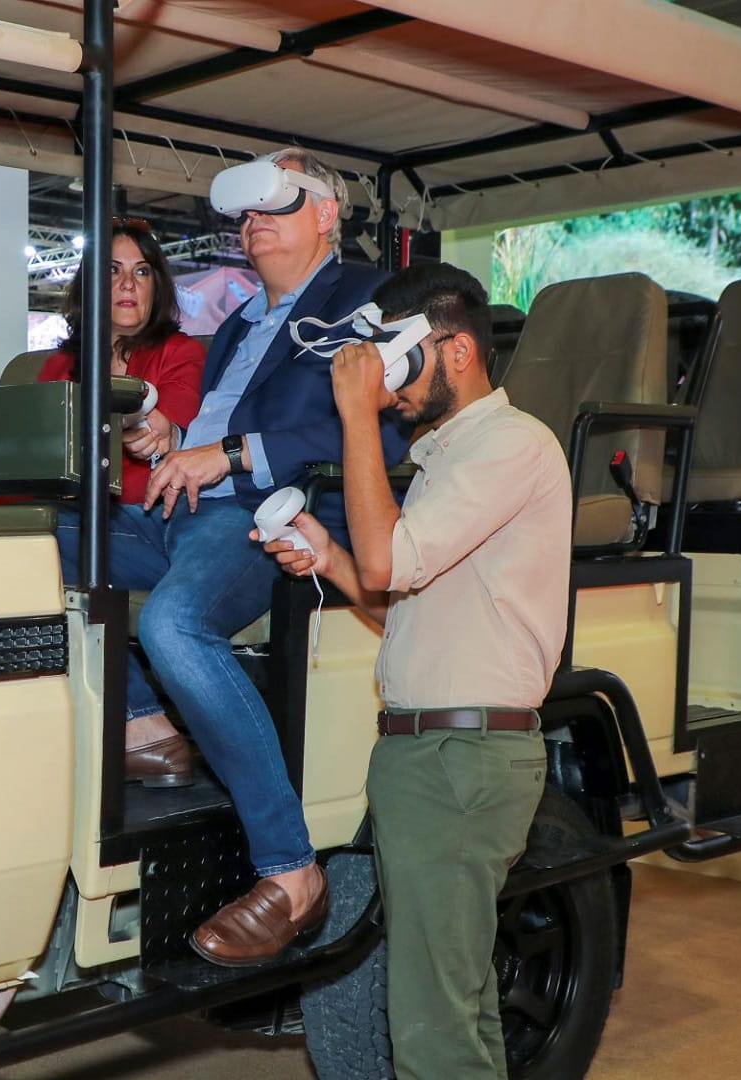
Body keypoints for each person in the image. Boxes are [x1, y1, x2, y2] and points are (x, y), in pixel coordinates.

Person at [54, 148, 412, 967]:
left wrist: (228, 455)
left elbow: (384, 433)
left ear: (326, 213)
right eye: (245, 214)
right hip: (182, 508)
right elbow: (212, 430)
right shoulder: (241, 322)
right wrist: (173, 438)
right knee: (35, 543)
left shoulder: (369, 299)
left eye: (272, 206)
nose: (252, 224)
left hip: (261, 513)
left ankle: (291, 871)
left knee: (175, 625)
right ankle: (145, 724)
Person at [257, 262, 572, 1079]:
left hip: (458, 761)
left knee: (432, 1029)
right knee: (456, 1006)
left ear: (458, 351)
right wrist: (327, 554)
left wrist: (356, 417)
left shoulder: (511, 444)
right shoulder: (450, 457)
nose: (389, 387)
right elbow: (402, 608)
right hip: (432, 756)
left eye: (400, 362)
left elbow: (391, 560)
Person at [38, 218, 204, 504]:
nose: (128, 284)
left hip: (141, 511)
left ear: (156, 287)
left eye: (141, 271)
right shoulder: (57, 365)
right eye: (112, 270)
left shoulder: (182, 353)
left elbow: (175, 434)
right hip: (63, 506)